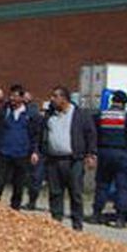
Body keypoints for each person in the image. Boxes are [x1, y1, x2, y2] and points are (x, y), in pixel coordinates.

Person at [39, 86, 98, 231]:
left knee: (75, 192)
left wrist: (91, 154)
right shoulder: (49, 116)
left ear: (64, 98)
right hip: (53, 160)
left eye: (55, 96)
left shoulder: (80, 115)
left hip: (74, 160)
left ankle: (77, 225)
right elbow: (41, 134)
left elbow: (91, 135)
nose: (52, 99)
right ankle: (56, 223)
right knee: (55, 192)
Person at [91, 91, 127, 228]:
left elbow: (91, 127)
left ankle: (96, 214)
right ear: (124, 103)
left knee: (102, 184)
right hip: (122, 154)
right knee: (123, 186)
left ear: (112, 101)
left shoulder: (101, 115)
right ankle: (120, 218)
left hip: (103, 152)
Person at [0, 85, 40, 210]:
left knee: (19, 184)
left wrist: (35, 151)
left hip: (22, 153)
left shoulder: (30, 115)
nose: (12, 99)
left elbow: (35, 135)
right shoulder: (3, 112)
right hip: (5, 152)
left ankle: (15, 208)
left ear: (22, 98)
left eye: (16, 96)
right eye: (11, 96)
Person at [23, 90, 45, 210]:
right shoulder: (20, 111)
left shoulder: (34, 114)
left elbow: (37, 134)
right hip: (25, 148)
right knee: (29, 176)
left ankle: (32, 201)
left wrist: (35, 150)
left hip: (34, 149)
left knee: (34, 176)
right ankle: (29, 200)